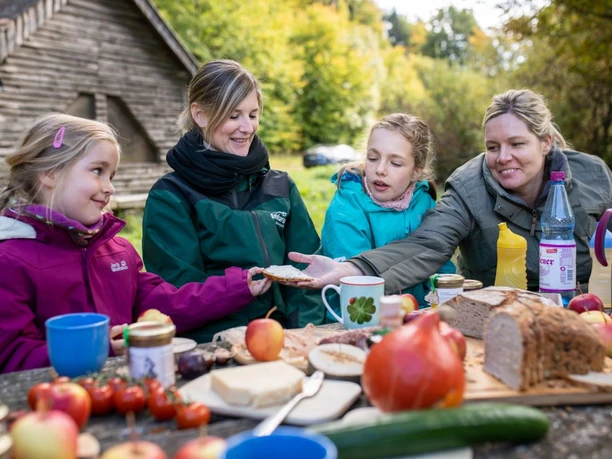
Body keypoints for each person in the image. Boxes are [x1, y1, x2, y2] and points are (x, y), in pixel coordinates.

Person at [0, 113, 271, 373]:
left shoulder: (118, 252)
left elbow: (164, 305)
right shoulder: (9, 260)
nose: (110, 187)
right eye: (97, 171)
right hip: (52, 410)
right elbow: (12, 356)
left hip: (124, 396)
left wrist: (236, 286)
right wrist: (98, 350)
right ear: (50, 173)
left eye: (112, 175)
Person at [288, 89, 612, 294]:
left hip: (588, 313)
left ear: (546, 143)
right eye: (492, 147)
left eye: (517, 144)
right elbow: (426, 245)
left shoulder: (593, 175)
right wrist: (352, 268)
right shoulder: (469, 187)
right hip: (497, 319)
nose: (503, 158)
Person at [142, 59, 324, 342]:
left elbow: (307, 272)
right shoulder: (171, 196)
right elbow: (178, 295)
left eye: (253, 114)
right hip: (213, 345)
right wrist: (226, 344)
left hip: (285, 340)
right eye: (234, 115)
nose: (247, 127)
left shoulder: (280, 185)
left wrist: (303, 335)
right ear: (200, 115)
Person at [321, 113, 454, 308]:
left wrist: (441, 306)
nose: (380, 169)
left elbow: (439, 263)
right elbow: (354, 286)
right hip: (360, 317)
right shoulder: (345, 208)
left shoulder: (424, 202)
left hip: (418, 317)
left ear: (417, 170)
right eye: (373, 158)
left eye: (395, 163)